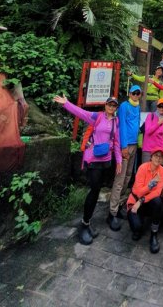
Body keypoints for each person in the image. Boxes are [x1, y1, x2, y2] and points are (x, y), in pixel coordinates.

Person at [53, 94, 122, 245]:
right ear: (105, 105)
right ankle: (84, 225)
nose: (111, 107)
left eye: (114, 105)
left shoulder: (116, 121)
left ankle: (87, 222)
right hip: (93, 159)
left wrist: (119, 161)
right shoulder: (97, 117)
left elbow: (116, 142)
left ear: (116, 108)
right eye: (109, 104)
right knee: (93, 191)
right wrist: (66, 103)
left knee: (96, 191)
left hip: (106, 161)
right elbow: (81, 113)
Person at [108, 85, 141, 231]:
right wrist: (124, 146)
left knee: (128, 176)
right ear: (129, 93)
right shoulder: (124, 106)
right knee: (120, 178)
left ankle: (120, 204)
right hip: (126, 145)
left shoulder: (138, 106)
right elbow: (121, 126)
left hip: (135, 144)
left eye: (138, 93)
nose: (135, 95)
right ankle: (112, 212)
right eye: (134, 93)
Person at [127, 147, 163, 253]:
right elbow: (138, 192)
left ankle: (154, 234)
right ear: (151, 157)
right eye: (156, 155)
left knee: (158, 201)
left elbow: (157, 192)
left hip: (145, 202)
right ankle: (139, 223)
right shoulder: (142, 168)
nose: (158, 158)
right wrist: (151, 184)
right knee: (136, 228)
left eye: (161, 156)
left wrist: (141, 201)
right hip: (134, 201)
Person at [141, 98, 163, 163]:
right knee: (146, 170)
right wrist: (158, 123)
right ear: (157, 107)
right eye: (160, 106)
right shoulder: (150, 116)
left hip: (159, 150)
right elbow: (148, 131)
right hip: (148, 150)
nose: (161, 108)